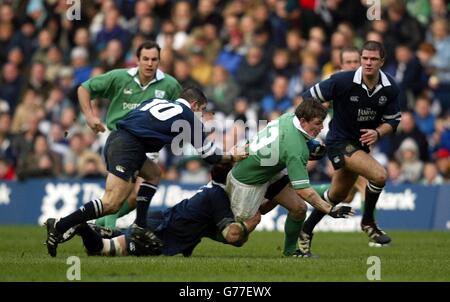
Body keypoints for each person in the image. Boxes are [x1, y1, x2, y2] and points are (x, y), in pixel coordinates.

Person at [45, 87, 247, 257]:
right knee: (111, 202)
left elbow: (139, 121)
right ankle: (61, 225)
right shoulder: (188, 116)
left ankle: (140, 225)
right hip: (129, 146)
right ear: (194, 105)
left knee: (153, 174)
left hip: (121, 138)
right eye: (201, 111)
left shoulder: (157, 101)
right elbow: (210, 156)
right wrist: (233, 156)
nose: (201, 117)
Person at [299, 41, 401, 256]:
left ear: (382, 62)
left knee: (337, 195)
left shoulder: (390, 86)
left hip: (361, 145)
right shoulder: (341, 80)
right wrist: (319, 115)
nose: (368, 63)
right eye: (365, 58)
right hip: (339, 142)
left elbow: (393, 121)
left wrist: (378, 132)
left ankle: (305, 231)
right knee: (379, 175)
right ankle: (368, 222)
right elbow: (307, 96)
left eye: (373, 59)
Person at [227, 98, 354, 257]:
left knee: (299, 209)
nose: (321, 128)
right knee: (237, 238)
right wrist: (331, 209)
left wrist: (309, 144)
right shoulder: (296, 149)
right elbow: (303, 190)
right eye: (317, 123)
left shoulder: (288, 117)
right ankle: (206, 227)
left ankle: (290, 252)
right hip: (246, 181)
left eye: (322, 123)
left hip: (268, 172)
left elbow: (285, 142)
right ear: (303, 121)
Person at [78, 40, 182, 229]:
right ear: (137, 60)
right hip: (120, 138)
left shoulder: (170, 85)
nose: (150, 63)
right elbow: (84, 88)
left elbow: (180, 113)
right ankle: (106, 231)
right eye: (146, 59)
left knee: (135, 197)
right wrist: (89, 116)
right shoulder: (119, 77)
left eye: (154, 59)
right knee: (120, 192)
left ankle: (98, 224)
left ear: (159, 61)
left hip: (149, 143)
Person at [64, 162, 261, 257]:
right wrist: (251, 223)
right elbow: (232, 236)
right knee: (102, 251)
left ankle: (107, 232)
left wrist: (242, 230)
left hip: (158, 221)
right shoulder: (218, 197)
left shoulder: (213, 192)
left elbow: (228, 239)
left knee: (116, 238)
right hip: (158, 234)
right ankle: (82, 227)